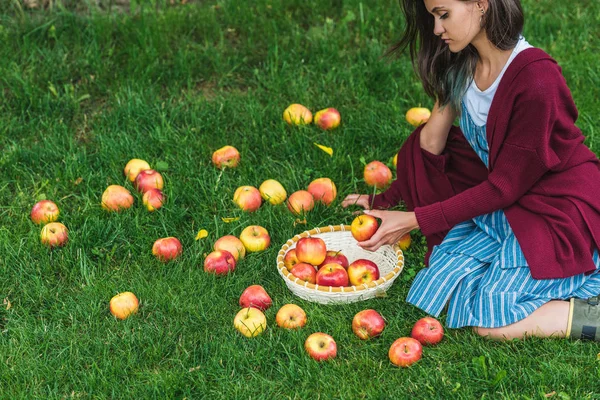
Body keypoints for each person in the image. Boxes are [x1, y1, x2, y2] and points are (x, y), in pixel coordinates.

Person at [342, 0, 600, 341]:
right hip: (517, 204)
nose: (436, 29)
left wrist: (414, 218)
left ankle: (588, 315)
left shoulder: (536, 80)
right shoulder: (465, 64)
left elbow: (502, 188)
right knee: (448, 282)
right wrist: (389, 200)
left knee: (491, 321)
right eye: (433, 17)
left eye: (443, 15)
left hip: (558, 209)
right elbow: (430, 144)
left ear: (481, 5)